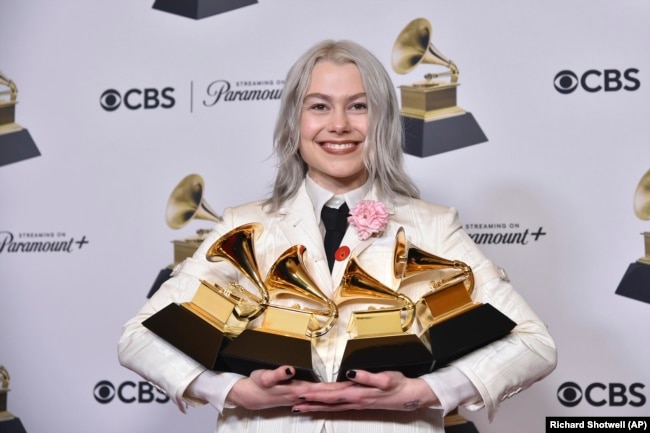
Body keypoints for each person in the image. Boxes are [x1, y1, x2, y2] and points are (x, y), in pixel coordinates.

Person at [118, 39, 557, 433]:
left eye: (359, 106)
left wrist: (426, 392)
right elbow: (138, 338)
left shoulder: (434, 225)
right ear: (294, 122)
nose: (340, 124)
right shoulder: (239, 224)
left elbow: (535, 345)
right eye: (319, 106)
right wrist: (228, 391)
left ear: (382, 120)